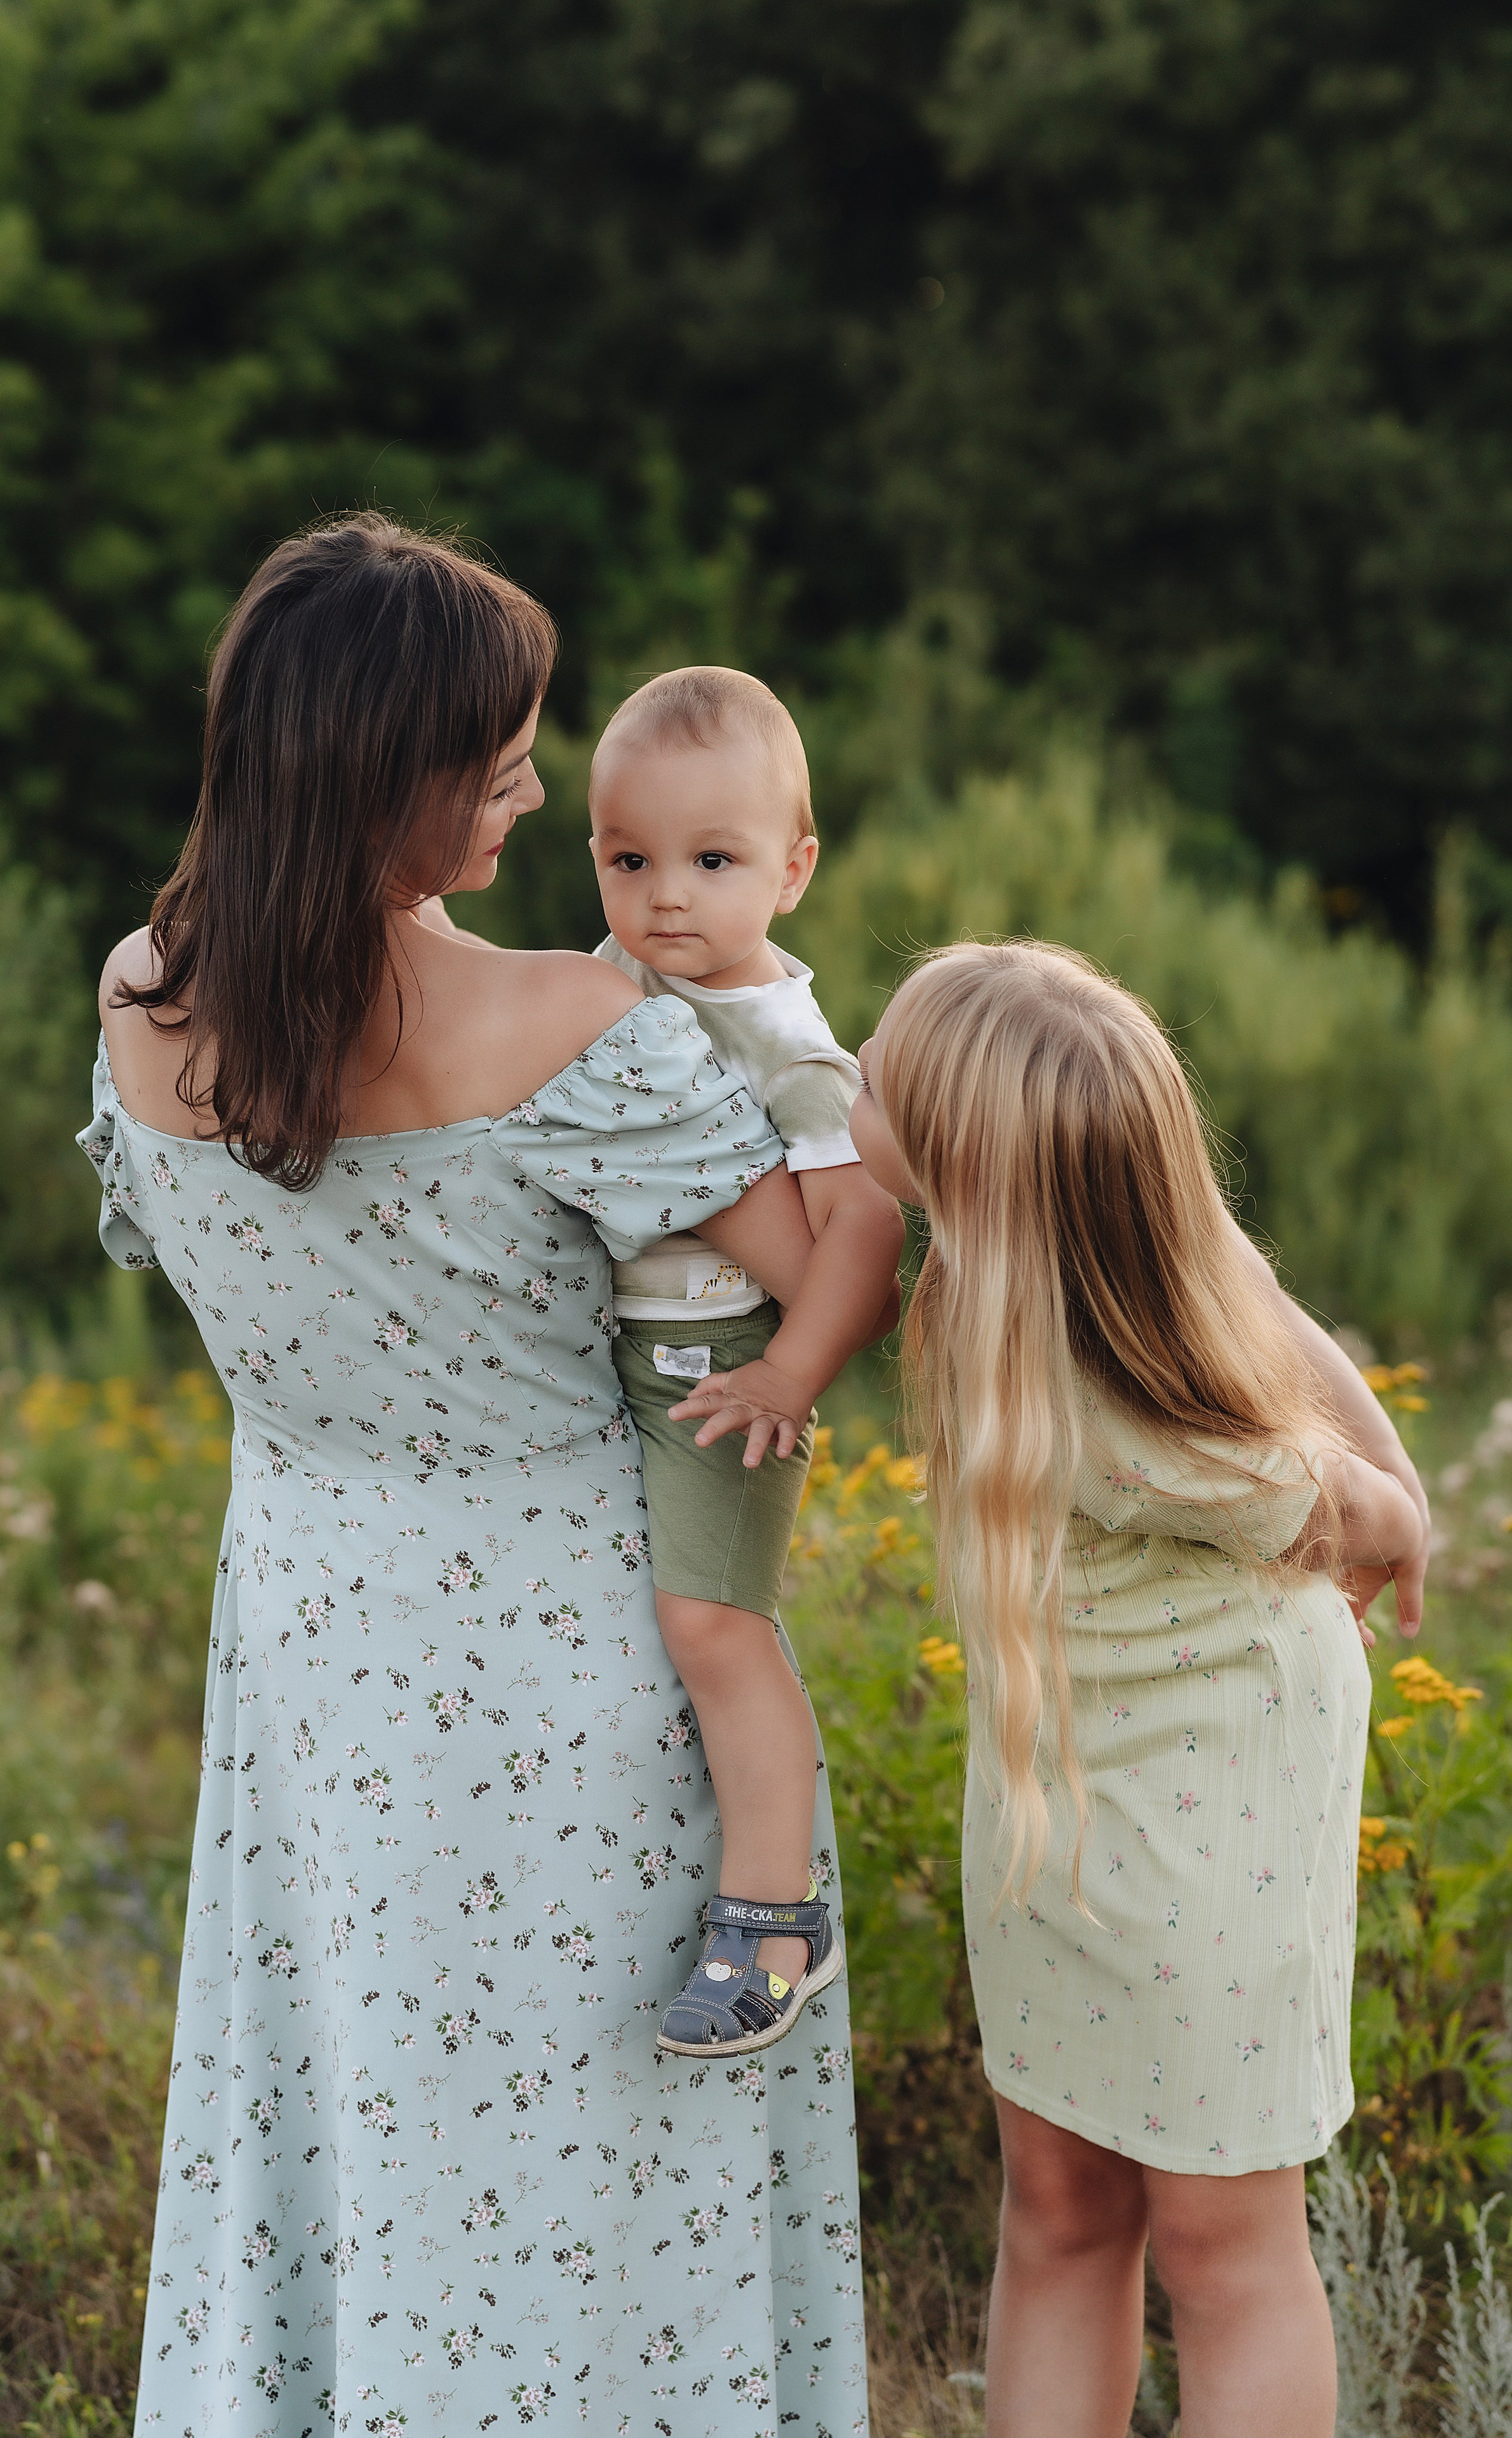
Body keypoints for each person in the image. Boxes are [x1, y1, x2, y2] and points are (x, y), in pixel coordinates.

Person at [80, 515, 870, 2435]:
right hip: (567, 1666)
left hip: (312, 1647)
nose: (532, 780)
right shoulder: (571, 1027)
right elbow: (829, 1271)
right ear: (385, 771)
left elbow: (164, 1252)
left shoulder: (143, 997)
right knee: (596, 2162)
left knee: (352, 2119)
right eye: (496, 754)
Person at [841, 940, 1429, 2438]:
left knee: (1222, 2245)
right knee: (1055, 2200)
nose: (853, 1076)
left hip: (1210, 1796)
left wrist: (1395, 1517)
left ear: (969, 1173)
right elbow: (1252, 1310)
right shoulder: (1016, 1275)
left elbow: (1374, 1510)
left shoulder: (1137, 1424)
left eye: (879, 1075)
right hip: (1061, 1790)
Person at [584, 666, 904, 2057]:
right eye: (627, 857)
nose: (665, 896)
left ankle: (773, 1914)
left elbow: (861, 1228)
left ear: (792, 869)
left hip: (718, 1362)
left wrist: (793, 1376)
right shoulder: (601, 980)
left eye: (711, 861)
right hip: (616, 1345)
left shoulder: (784, 1041)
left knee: (719, 1625)